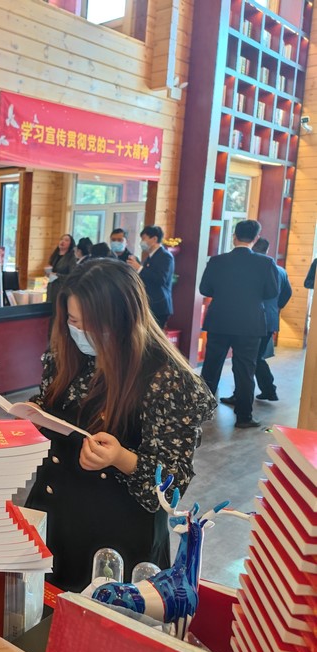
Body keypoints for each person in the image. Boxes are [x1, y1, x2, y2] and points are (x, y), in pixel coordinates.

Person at [24, 259, 215, 592]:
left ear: (125, 320)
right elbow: (57, 407)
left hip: (117, 540)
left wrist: (120, 458)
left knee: (103, 618)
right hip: (53, 514)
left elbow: (169, 489)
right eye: (73, 320)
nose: (80, 332)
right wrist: (35, 414)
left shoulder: (168, 380)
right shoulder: (67, 353)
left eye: (93, 325)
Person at [199, 219, 279, 429]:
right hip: (250, 323)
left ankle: (201, 411)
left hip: (219, 321)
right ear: (256, 239)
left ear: (234, 236)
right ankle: (244, 416)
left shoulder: (216, 261)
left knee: (211, 367)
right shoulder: (266, 263)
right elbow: (272, 292)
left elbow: (205, 289)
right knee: (245, 369)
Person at [221, 237, 292, 406]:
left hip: (252, 319)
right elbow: (287, 293)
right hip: (270, 319)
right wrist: (276, 307)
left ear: (253, 247)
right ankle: (268, 390)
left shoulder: (253, 268)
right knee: (256, 357)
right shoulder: (280, 270)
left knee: (244, 359)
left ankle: (245, 395)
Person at [127, 225, 174, 328]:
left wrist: (140, 268)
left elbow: (161, 279)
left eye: (144, 238)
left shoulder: (165, 256)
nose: (141, 242)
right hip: (149, 304)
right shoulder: (150, 257)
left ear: (154, 239)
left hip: (159, 305)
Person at [46, 234, 76, 306]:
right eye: (61, 239)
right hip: (51, 288)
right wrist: (48, 272)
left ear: (70, 244)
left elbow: (72, 276)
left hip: (62, 289)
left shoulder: (71, 258)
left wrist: (57, 275)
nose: (63, 241)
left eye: (66, 240)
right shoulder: (55, 255)